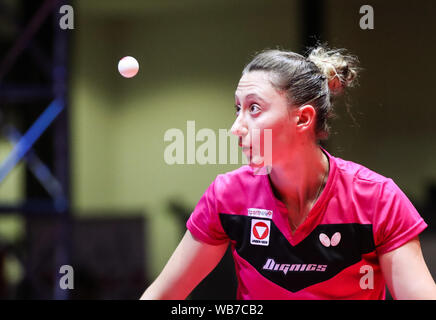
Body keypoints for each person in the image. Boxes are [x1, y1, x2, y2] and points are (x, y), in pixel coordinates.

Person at [141, 45, 436, 300]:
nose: (236, 128)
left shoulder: (378, 199)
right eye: (237, 108)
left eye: (254, 108)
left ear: (303, 119)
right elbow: (164, 294)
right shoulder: (228, 195)